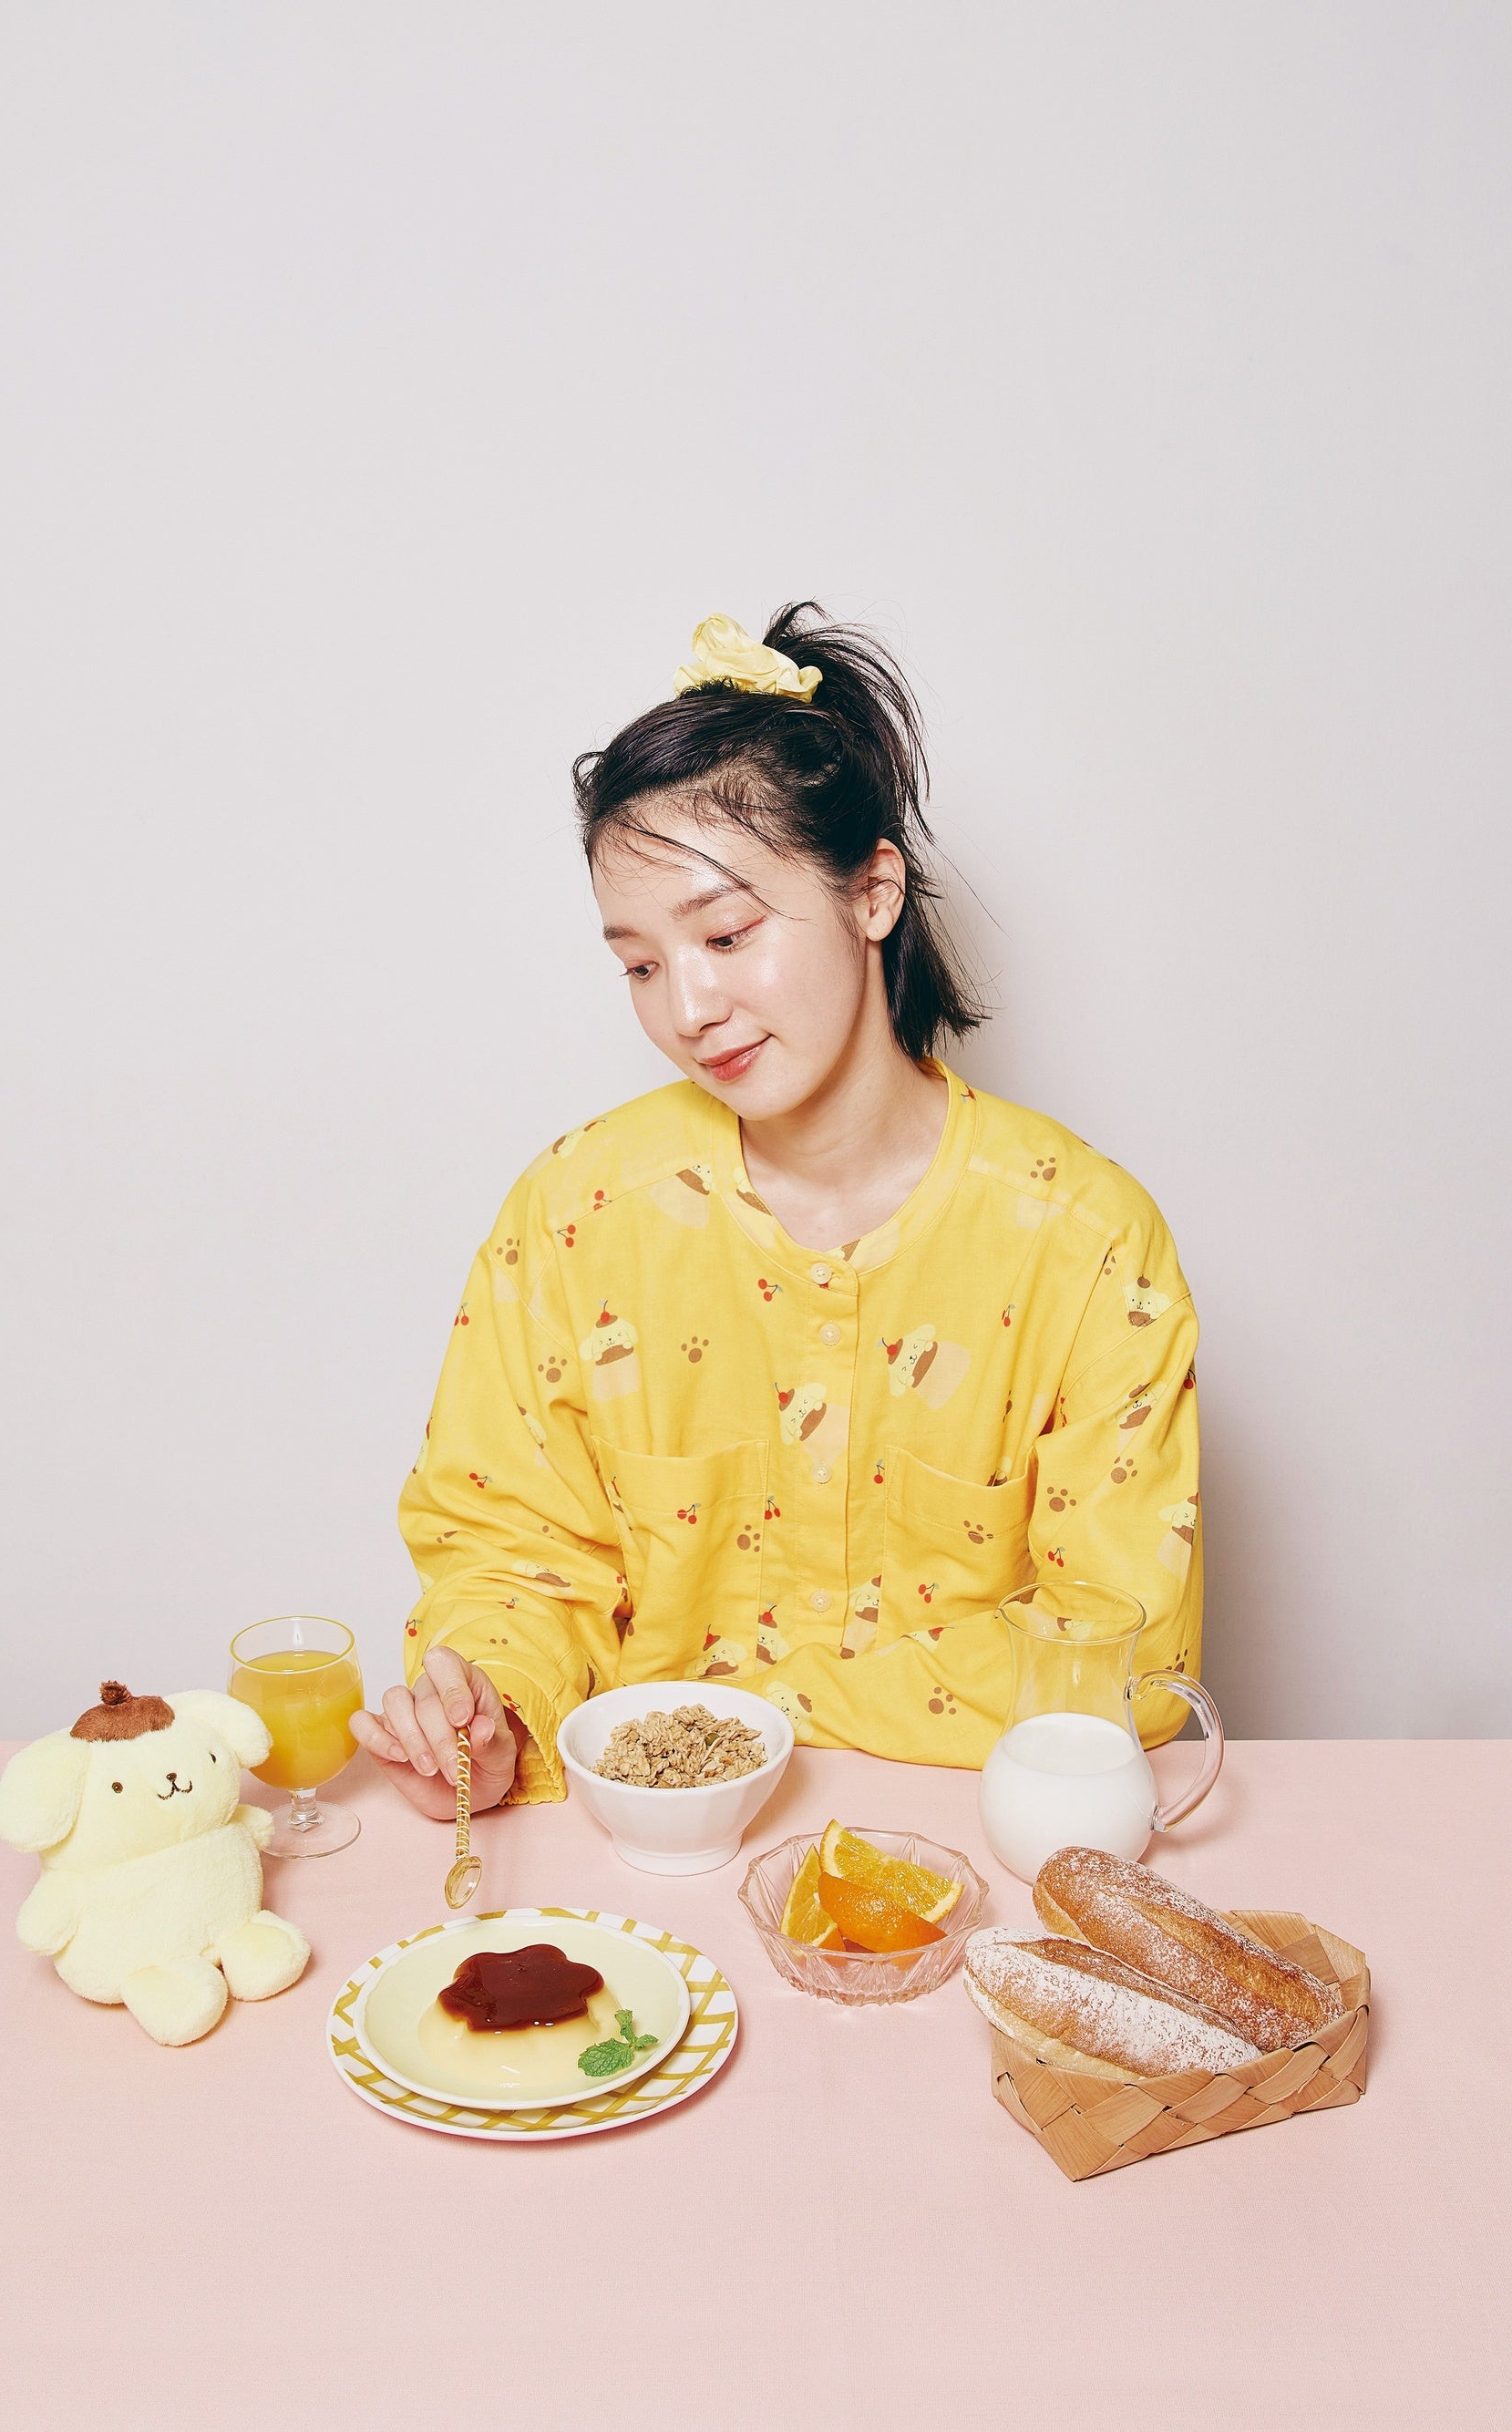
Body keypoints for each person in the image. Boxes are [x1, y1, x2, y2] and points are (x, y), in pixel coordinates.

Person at [349, 605, 1200, 1819]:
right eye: (641, 964)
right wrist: (495, 1711)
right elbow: (509, 1549)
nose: (687, 1008)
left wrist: (753, 1703)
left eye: (727, 933)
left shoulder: (1086, 1242)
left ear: (874, 894)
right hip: (643, 1861)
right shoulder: (578, 1215)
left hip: (979, 1844)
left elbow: (1125, 1652)